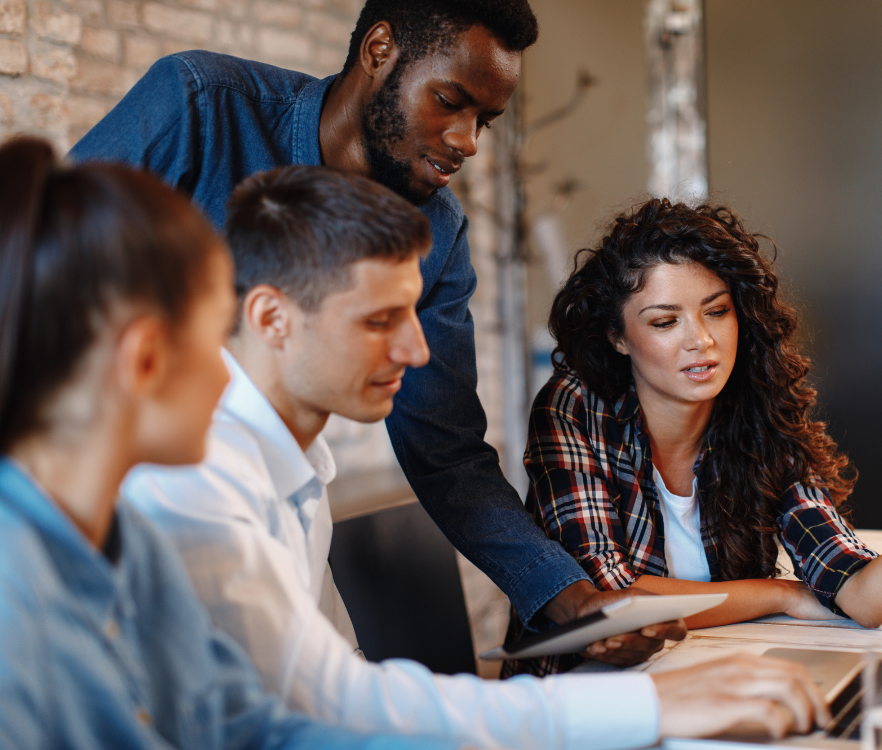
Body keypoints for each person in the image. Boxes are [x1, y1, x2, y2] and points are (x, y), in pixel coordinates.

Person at [123, 165, 831, 749]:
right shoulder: (196, 480)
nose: (417, 351)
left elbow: (339, 686)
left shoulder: (290, 467)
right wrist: (649, 707)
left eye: (413, 312)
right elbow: (322, 704)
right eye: (379, 321)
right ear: (271, 319)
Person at [69, 0, 673, 662]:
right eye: (450, 101)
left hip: (285, 523)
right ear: (379, 50)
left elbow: (444, 447)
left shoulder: (438, 230)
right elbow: (35, 283)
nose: (468, 141)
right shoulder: (202, 107)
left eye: (486, 121)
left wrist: (569, 597)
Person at [0, 137, 457, 750]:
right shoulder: (16, 601)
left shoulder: (133, 549)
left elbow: (244, 726)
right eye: (216, 332)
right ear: (145, 360)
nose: (228, 372)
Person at [504, 198, 882, 677]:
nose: (700, 340)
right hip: (579, 701)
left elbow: (856, 592)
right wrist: (780, 594)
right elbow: (610, 601)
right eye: (664, 321)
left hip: (710, 679)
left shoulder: (755, 413)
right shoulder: (576, 406)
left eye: (717, 311)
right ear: (618, 336)